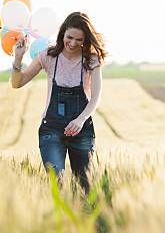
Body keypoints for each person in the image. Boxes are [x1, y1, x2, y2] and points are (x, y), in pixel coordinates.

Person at [10, 12, 106, 194]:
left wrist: (80, 120)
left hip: (81, 129)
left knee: (85, 186)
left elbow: (95, 97)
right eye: (69, 37)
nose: (73, 43)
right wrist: (18, 58)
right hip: (52, 128)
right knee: (56, 182)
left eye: (79, 39)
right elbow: (17, 83)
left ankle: (83, 220)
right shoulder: (48, 56)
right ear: (62, 34)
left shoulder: (92, 60)